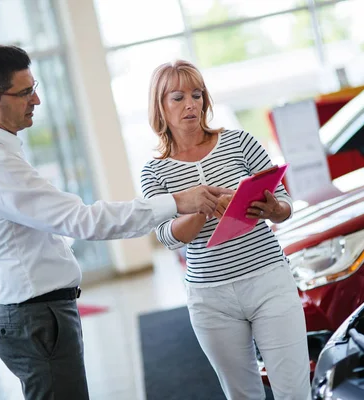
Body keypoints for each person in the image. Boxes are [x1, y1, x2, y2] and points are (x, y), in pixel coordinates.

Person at [0, 45, 232, 400]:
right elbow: (83, 221)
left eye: (34, 86)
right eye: (24, 93)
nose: (36, 99)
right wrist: (177, 201)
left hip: (32, 315)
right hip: (36, 318)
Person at [140, 60, 311, 400]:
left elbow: (284, 201)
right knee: (242, 395)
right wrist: (200, 208)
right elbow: (167, 235)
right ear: (160, 105)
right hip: (210, 298)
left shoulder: (239, 142)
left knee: (294, 391)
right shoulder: (153, 172)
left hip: (268, 280)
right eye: (178, 97)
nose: (191, 104)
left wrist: (275, 209)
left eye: (197, 94)